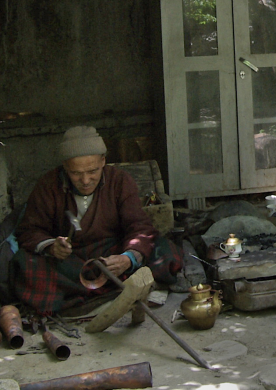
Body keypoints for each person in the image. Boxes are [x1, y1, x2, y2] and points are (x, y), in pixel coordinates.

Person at [10, 126, 182, 315]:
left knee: (162, 249)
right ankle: (117, 291)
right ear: (65, 167)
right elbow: (29, 231)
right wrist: (51, 246)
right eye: (76, 173)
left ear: (103, 161)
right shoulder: (48, 185)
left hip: (111, 253)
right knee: (23, 265)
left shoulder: (120, 181)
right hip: (69, 260)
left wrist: (128, 258)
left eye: (92, 171)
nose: (85, 180)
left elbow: (139, 227)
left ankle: (96, 289)